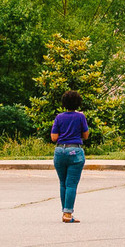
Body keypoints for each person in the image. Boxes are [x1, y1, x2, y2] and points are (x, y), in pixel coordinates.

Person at [48, 90, 89, 224]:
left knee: (63, 183)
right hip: (75, 150)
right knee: (71, 184)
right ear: (78, 103)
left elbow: (54, 137)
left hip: (60, 151)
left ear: (64, 103)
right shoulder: (80, 117)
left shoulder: (59, 117)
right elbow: (86, 135)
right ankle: (68, 213)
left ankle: (64, 212)